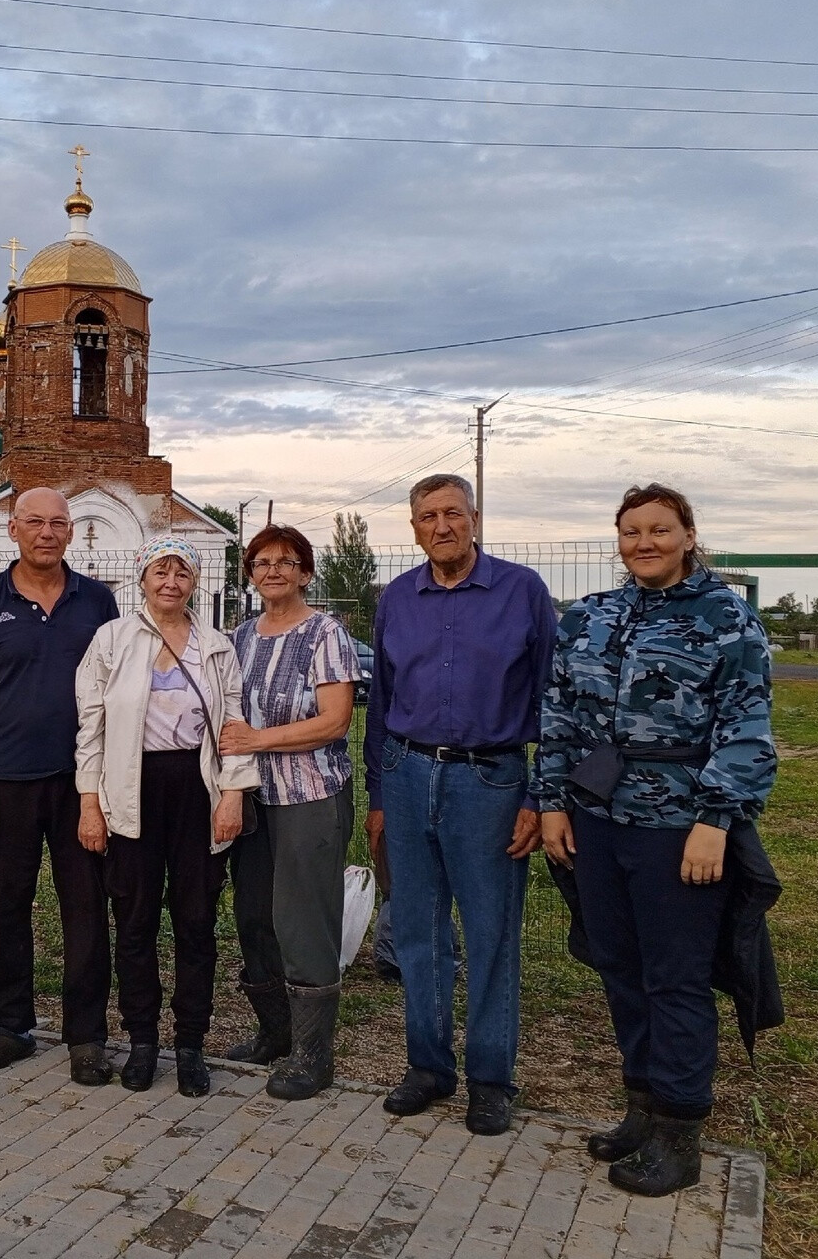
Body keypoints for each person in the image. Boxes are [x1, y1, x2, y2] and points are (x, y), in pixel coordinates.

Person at [539, 484, 777, 1196]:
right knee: (619, 964)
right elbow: (559, 714)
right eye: (632, 531)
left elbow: (746, 729)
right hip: (598, 818)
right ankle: (641, 1106)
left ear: (688, 534)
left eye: (659, 530)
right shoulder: (587, 618)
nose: (645, 542)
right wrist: (552, 803)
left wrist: (715, 821)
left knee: (674, 977)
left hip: (679, 826)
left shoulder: (726, 618)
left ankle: (680, 1130)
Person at [364, 473, 558, 1133]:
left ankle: (491, 1078)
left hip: (491, 783)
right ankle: (428, 1066)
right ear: (414, 528)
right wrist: (379, 792)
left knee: (490, 935)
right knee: (418, 931)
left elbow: (552, 702)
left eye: (452, 513)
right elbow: (381, 705)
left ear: (473, 518)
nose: (440, 526)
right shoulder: (397, 598)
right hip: (409, 774)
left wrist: (541, 794)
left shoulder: (522, 592)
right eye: (427, 517)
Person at [0, 487, 120, 1083]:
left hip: (83, 784)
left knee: (85, 908)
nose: (46, 532)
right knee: (2, 906)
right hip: (3, 781)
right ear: (13, 531)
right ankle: (7, 1026)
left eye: (57, 523)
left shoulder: (97, 601)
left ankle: (87, 1035)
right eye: (34, 523)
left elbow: (116, 694)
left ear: (71, 533)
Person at [76, 538, 256, 1096]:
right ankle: (143, 1041)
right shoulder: (112, 639)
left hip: (195, 790)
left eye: (182, 571)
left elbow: (234, 724)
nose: (171, 580)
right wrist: (90, 802)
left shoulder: (215, 644)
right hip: (131, 790)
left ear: (194, 582)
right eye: (161, 570)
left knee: (196, 921)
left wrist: (232, 794)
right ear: (143, 578)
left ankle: (191, 1045)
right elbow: (92, 727)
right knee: (134, 922)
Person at [220, 524, 361, 1100]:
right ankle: (273, 1032)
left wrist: (257, 739)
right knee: (255, 914)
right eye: (261, 562)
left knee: (303, 920)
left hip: (310, 796)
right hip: (252, 798)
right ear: (249, 575)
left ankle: (313, 1055)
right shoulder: (238, 637)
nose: (273, 570)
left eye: (287, 561)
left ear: (305, 572)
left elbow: (335, 721)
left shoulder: (325, 633)